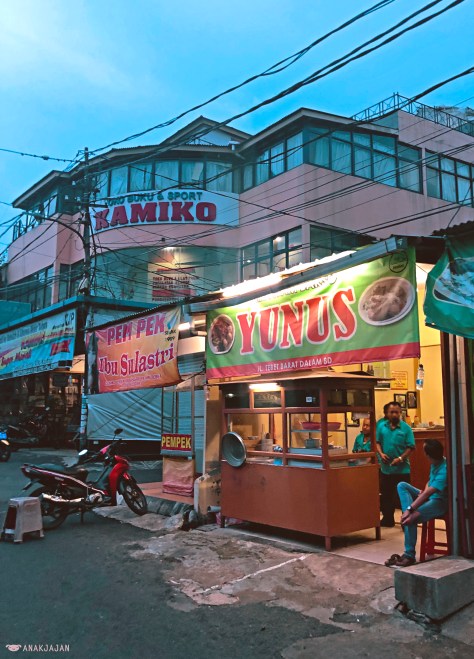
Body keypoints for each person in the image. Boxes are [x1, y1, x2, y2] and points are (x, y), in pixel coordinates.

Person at [385, 439, 448, 567]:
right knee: (402, 485)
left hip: (439, 502)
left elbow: (429, 493)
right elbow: (429, 483)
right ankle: (407, 514)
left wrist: (410, 509)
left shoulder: (444, 469)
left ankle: (409, 555)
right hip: (429, 496)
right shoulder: (436, 462)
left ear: (428, 455)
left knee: (410, 519)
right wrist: (423, 492)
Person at [376, 402, 415, 527]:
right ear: (387, 413)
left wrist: (400, 458)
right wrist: (381, 454)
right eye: (391, 412)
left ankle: (406, 521)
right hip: (386, 469)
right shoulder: (381, 427)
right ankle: (388, 519)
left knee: (404, 497)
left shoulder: (406, 428)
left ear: (400, 413)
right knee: (386, 496)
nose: (394, 414)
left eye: (396, 412)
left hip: (402, 470)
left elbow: (411, 447)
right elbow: (377, 442)